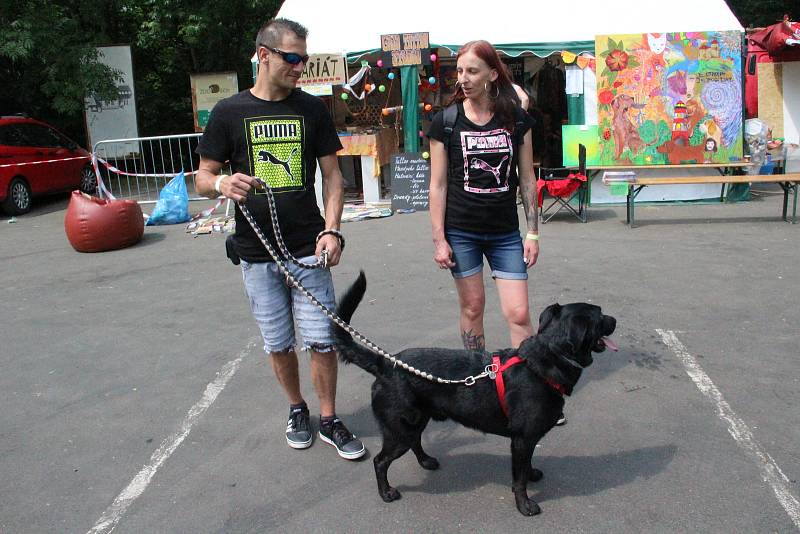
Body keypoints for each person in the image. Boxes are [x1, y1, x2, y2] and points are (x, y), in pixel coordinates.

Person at [195, 18, 365, 460]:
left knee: (323, 340)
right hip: (255, 251)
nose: (300, 67)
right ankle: (297, 409)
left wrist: (333, 230)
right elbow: (202, 177)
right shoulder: (229, 113)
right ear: (263, 55)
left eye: (304, 59)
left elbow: (333, 178)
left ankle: (328, 418)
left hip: (308, 248)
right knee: (278, 342)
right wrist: (221, 185)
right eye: (292, 57)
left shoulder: (311, 110)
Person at [427, 40, 540, 352]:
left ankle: (525, 382)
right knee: (473, 309)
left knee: (518, 313)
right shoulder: (446, 122)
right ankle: (477, 381)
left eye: (472, 71)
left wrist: (532, 232)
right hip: (462, 232)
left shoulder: (516, 119)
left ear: (492, 74)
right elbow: (437, 186)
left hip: (505, 233)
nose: (463, 78)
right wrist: (439, 239)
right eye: (460, 71)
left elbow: (527, 178)